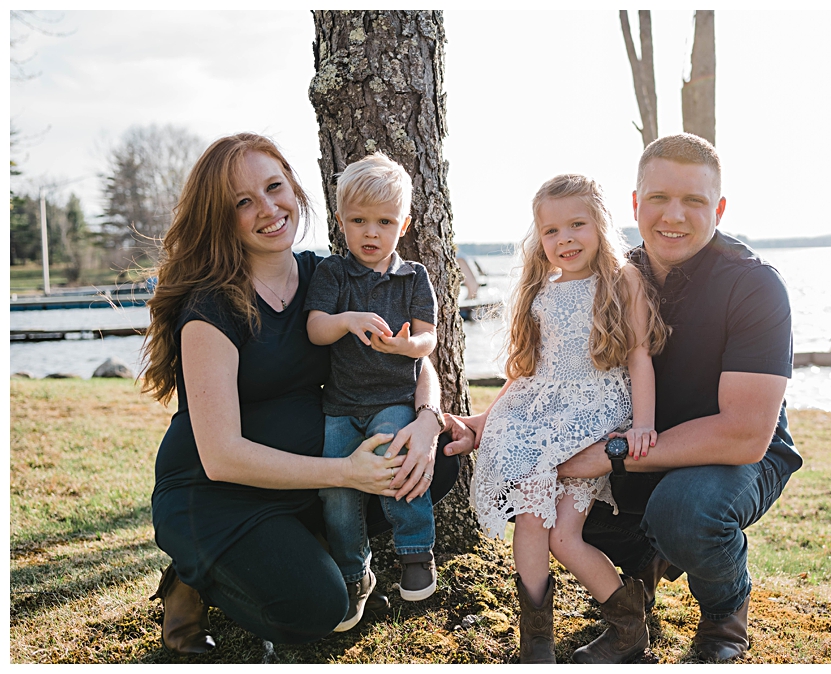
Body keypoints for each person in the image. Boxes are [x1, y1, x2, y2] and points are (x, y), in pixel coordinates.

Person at [444, 133, 800, 663]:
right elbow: (550, 369)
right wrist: (488, 423)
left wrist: (608, 454)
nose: (672, 215)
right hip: (631, 439)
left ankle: (725, 611)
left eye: (694, 201)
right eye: (658, 198)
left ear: (719, 209)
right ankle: (635, 583)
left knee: (685, 511)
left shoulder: (753, 287)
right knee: (554, 495)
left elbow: (745, 434)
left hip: (729, 454)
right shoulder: (608, 272)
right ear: (635, 203)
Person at [143, 133, 457, 653]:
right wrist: (346, 473)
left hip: (306, 479)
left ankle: (311, 545)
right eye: (243, 202)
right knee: (318, 610)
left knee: (436, 455)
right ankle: (192, 578)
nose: (268, 208)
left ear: (294, 186)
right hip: (218, 495)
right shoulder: (211, 309)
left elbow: (412, 356)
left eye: (274, 187)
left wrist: (427, 418)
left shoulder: (328, 276)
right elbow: (221, 457)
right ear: (222, 218)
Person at [470, 175, 667, 664]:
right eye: (552, 231)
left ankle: (627, 629)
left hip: (592, 412)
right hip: (538, 415)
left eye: (577, 225)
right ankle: (536, 643)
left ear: (599, 224)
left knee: (564, 535)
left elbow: (639, 356)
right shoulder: (541, 289)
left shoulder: (622, 279)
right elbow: (527, 370)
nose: (565, 239)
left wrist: (643, 424)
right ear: (539, 237)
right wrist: (487, 420)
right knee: (535, 525)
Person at [304, 152, 441, 632]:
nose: (370, 232)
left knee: (394, 459)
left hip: (393, 401)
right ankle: (352, 574)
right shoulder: (334, 274)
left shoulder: (413, 277)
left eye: (383, 222)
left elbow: (429, 339)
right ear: (341, 222)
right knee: (336, 491)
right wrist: (345, 320)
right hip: (340, 407)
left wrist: (408, 346)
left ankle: (414, 552)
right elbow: (316, 329)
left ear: (402, 226)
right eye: (358, 221)